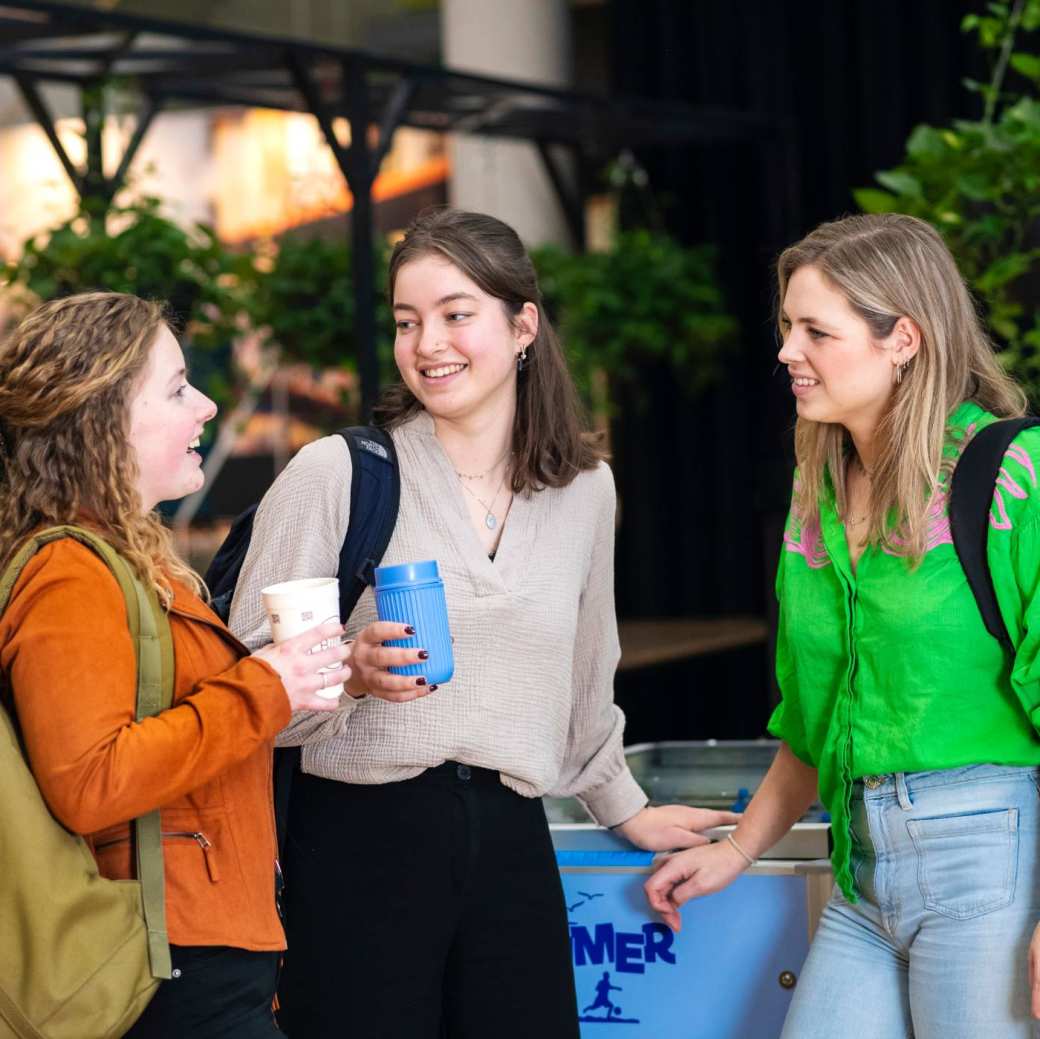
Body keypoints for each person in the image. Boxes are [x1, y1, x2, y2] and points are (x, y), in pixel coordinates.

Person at [229, 207, 736, 1039]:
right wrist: (349, 672)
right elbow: (242, 689)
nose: (429, 343)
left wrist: (624, 806)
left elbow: (585, 673)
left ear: (524, 324)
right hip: (358, 842)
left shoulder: (585, 491)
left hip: (510, 840)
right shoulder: (338, 475)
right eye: (406, 321)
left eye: (457, 314)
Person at [645, 212, 1040, 1039]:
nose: (788, 351)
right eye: (788, 327)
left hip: (988, 853)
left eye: (816, 331)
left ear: (903, 338)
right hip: (861, 871)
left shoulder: (1013, 474)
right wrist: (738, 849)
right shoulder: (815, 489)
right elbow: (814, 721)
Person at [0, 292, 353, 1038]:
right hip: (167, 963)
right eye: (176, 388)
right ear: (102, 420)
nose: (206, 405)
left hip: (203, 951)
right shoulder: (71, 571)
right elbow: (90, 781)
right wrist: (268, 684)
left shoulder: (131, 565)